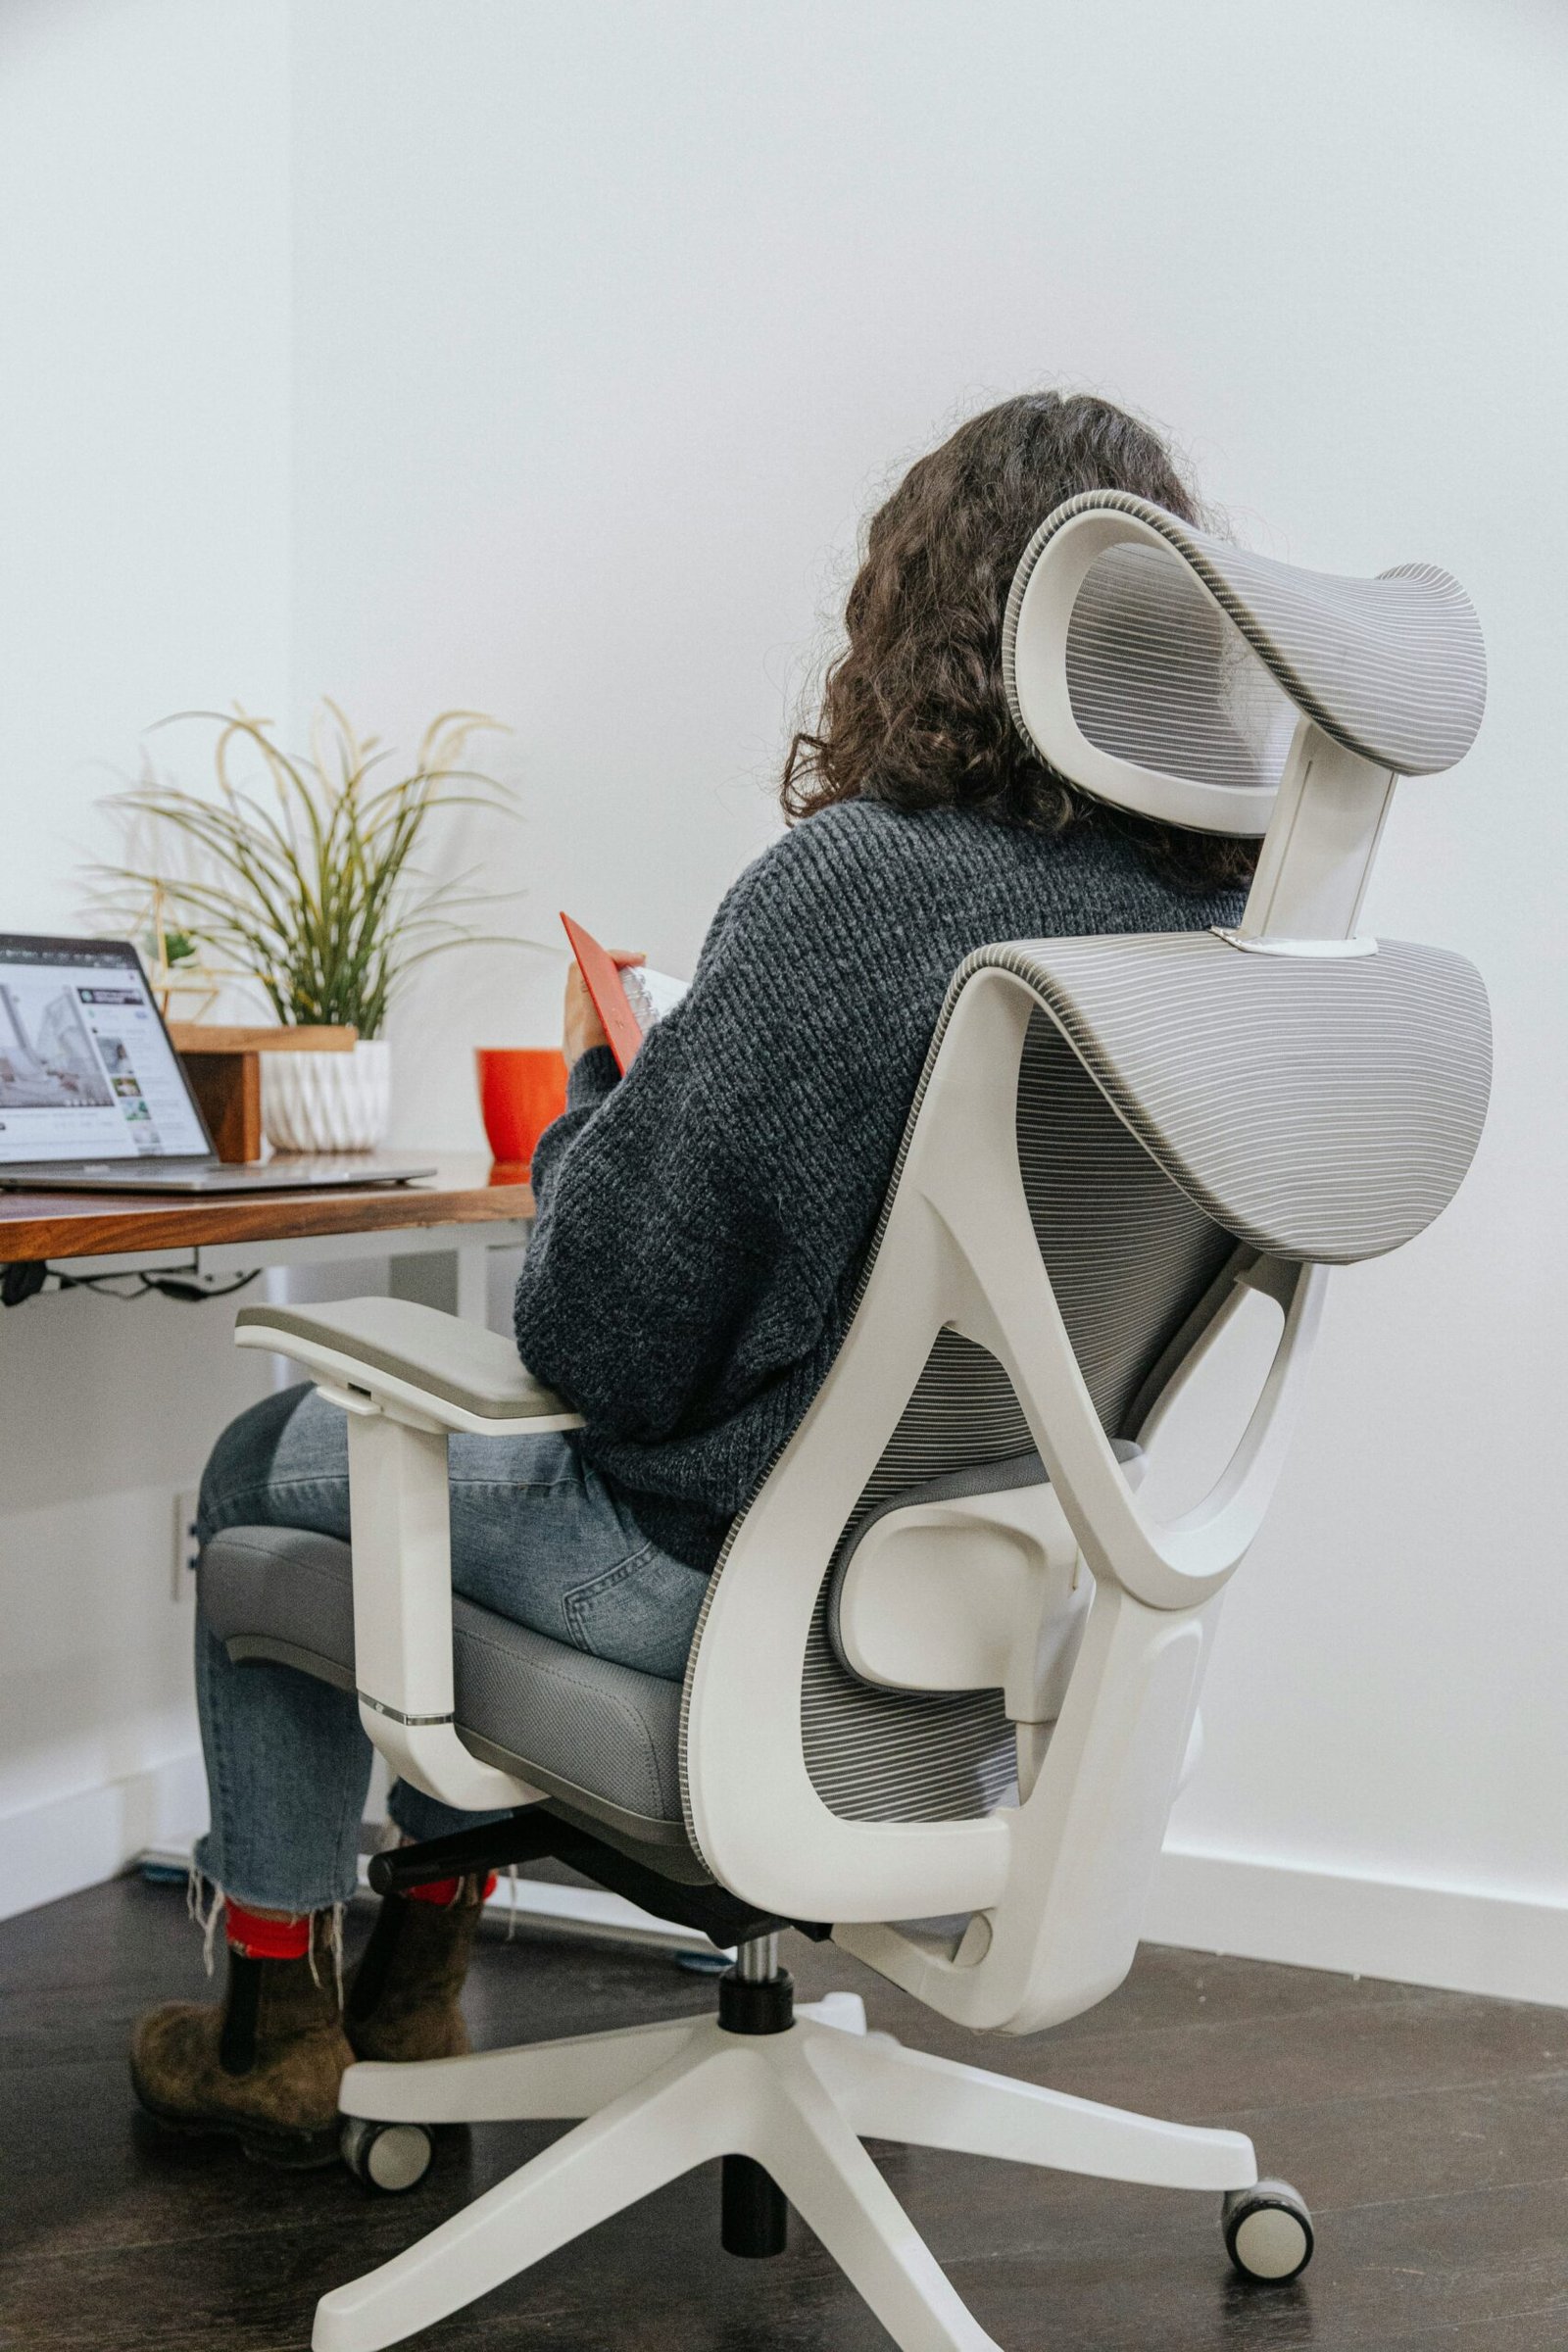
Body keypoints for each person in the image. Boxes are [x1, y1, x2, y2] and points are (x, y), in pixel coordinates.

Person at [131, 389, 1257, 2163]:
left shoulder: (859, 888)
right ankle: (417, 1976)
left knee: (260, 1466)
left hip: (713, 1589)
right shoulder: (1218, 936)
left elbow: (606, 1342)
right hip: (983, 1610)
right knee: (407, 1489)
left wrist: (606, 1096)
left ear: (918, 617)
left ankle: (280, 2015)